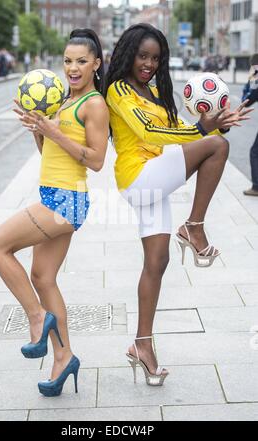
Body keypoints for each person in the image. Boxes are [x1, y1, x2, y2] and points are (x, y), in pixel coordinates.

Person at [105, 23, 252, 387]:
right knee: (216, 149)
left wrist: (218, 125)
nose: (149, 64)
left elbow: (180, 131)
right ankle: (194, 227)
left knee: (157, 261)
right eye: (143, 56)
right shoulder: (119, 90)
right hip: (138, 175)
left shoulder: (153, 91)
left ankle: (142, 345)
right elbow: (150, 134)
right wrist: (206, 134)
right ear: (128, 54)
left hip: (152, 180)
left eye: (155, 58)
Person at [0, 29, 109, 397]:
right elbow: (51, 156)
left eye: (82, 61)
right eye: (68, 60)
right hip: (54, 193)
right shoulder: (62, 100)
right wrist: (37, 130)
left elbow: (97, 161)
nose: (73, 67)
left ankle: (37, 318)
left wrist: (53, 132)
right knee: (43, 279)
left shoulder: (93, 104)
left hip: (65, 201)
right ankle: (64, 357)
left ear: (96, 64)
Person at [242, 53, 258, 196]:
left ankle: (256, 187)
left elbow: (247, 100)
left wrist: (250, 80)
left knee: (255, 152)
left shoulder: (256, 79)